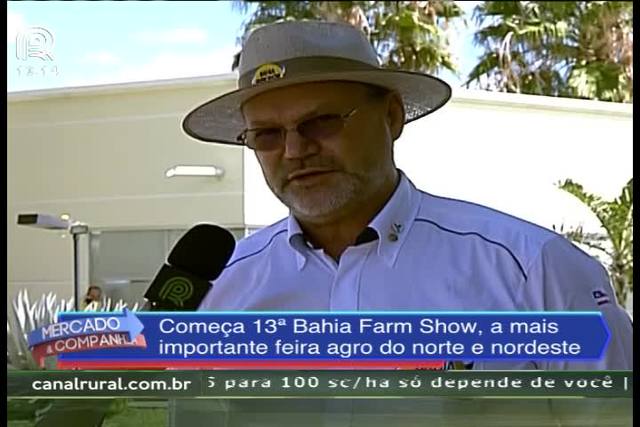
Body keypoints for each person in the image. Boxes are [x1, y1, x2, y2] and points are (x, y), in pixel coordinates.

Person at [183, 20, 632, 370]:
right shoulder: (222, 289)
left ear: (392, 117)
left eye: (322, 122)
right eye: (266, 135)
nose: (296, 150)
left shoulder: (532, 268)